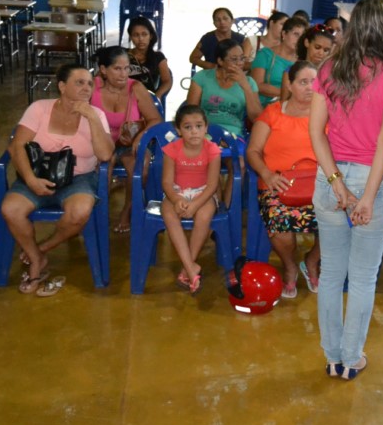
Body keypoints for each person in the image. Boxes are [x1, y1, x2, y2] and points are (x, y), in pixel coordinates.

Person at [309, 0, 383, 381]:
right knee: (363, 277)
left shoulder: (329, 67)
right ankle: (351, 360)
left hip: (330, 178)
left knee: (331, 273)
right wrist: (366, 198)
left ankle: (332, 357)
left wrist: (337, 184)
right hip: (374, 181)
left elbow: (316, 133)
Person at [0, 64, 115, 296]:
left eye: (89, 84)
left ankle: (42, 248)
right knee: (10, 209)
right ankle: (36, 259)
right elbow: (17, 146)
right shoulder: (39, 108)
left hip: (79, 179)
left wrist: (92, 118)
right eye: (79, 82)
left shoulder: (97, 114)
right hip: (38, 175)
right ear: (62, 86)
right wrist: (31, 180)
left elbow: (104, 155)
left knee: (79, 212)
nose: (86, 88)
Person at [246, 61, 321, 298]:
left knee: (340, 219)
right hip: (278, 183)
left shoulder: (327, 114)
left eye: (314, 82)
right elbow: (253, 151)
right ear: (290, 85)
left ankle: (311, 261)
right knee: (280, 224)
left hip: (318, 184)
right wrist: (267, 174)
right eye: (303, 82)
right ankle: (290, 266)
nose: (309, 87)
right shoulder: (273, 113)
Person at [90, 46, 162, 233]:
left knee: (140, 168)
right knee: (102, 171)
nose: (123, 74)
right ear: (103, 69)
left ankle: (128, 210)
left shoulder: (135, 88)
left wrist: (141, 136)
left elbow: (155, 119)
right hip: (99, 143)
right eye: (117, 69)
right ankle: (97, 213)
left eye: (126, 68)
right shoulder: (92, 87)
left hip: (129, 143)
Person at [161, 104, 222, 294]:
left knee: (204, 216)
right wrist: (176, 199)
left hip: (204, 193)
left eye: (198, 126)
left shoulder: (212, 150)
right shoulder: (171, 149)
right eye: (187, 127)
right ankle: (190, 267)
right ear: (179, 130)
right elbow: (167, 182)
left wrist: (195, 204)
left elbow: (212, 185)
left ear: (206, 127)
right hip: (177, 191)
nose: (194, 131)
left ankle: (187, 267)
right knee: (168, 213)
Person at [185, 39, 262, 139]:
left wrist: (246, 87)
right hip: (204, 132)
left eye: (242, 58)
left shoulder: (249, 82)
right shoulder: (202, 77)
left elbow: (256, 118)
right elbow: (191, 112)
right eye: (234, 59)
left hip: (233, 135)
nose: (240, 63)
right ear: (220, 61)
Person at [250, 16, 305, 106]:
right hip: (264, 106)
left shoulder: (301, 61)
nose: (299, 39)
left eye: (302, 36)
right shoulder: (265, 55)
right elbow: (257, 85)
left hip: (291, 107)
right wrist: (286, 93)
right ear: (284, 34)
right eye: (296, 34)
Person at [188, 7, 255, 71]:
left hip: (235, 74)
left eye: (225, 18)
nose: (222, 22)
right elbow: (193, 58)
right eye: (218, 20)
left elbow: (245, 62)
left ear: (232, 21)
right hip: (212, 74)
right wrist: (210, 66)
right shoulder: (207, 38)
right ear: (214, 23)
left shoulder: (240, 39)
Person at [279, 24, 335, 99]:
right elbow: (284, 102)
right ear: (307, 42)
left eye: (326, 50)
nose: (321, 53)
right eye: (317, 47)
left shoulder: (330, 76)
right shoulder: (290, 71)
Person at [125, 16, 172, 104]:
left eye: (144, 34)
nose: (140, 39)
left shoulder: (158, 57)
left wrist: (157, 96)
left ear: (151, 36)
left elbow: (167, 81)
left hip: (148, 100)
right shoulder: (123, 55)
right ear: (130, 37)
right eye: (136, 35)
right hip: (125, 99)